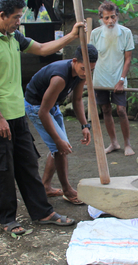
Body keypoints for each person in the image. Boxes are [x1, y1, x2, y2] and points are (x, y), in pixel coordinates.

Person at [0, 0, 86, 235]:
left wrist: (71, 36)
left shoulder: (14, 36)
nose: (19, 21)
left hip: (17, 113)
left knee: (27, 165)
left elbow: (44, 49)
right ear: (1, 15)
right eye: (15, 17)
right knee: (3, 169)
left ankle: (42, 212)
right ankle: (8, 220)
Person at [24, 45, 98, 205]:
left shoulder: (82, 73)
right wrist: (58, 140)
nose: (86, 73)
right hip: (36, 107)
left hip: (52, 105)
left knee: (59, 148)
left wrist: (85, 125)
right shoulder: (60, 78)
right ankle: (67, 190)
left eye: (91, 70)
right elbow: (42, 112)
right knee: (60, 148)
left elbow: (77, 100)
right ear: (74, 61)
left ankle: (45, 186)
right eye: (84, 69)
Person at [89, 1, 135, 156]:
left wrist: (121, 80)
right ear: (101, 18)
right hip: (100, 79)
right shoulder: (95, 34)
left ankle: (127, 144)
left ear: (117, 16)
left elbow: (128, 59)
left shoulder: (126, 33)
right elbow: (91, 57)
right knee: (105, 109)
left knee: (121, 110)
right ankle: (114, 143)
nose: (110, 21)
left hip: (118, 79)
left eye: (113, 17)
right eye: (107, 18)